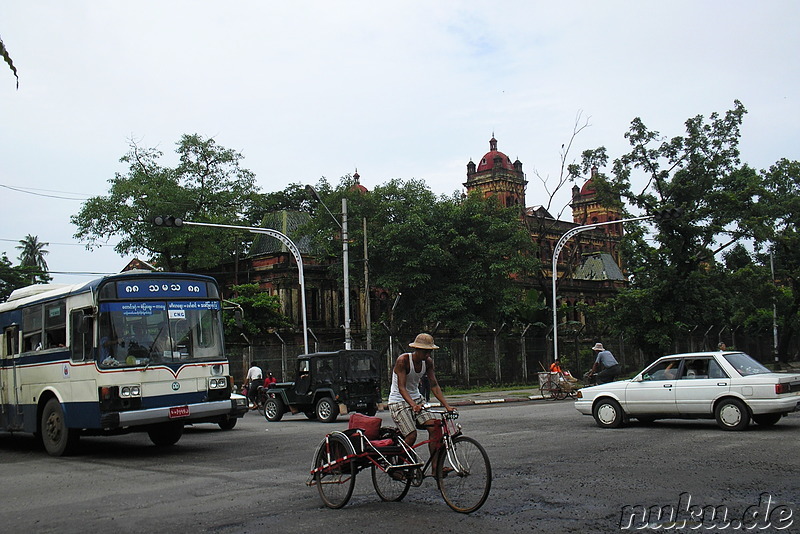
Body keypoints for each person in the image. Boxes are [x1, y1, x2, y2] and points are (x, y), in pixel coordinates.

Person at [388, 333, 455, 474]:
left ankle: (436, 467)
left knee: (435, 429)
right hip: (398, 401)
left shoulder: (428, 362)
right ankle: (397, 467)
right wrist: (413, 405)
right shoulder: (403, 361)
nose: (427, 354)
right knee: (411, 435)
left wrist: (447, 405)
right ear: (417, 349)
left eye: (429, 351)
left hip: (417, 399)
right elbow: (401, 388)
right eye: (425, 351)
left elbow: (434, 385)